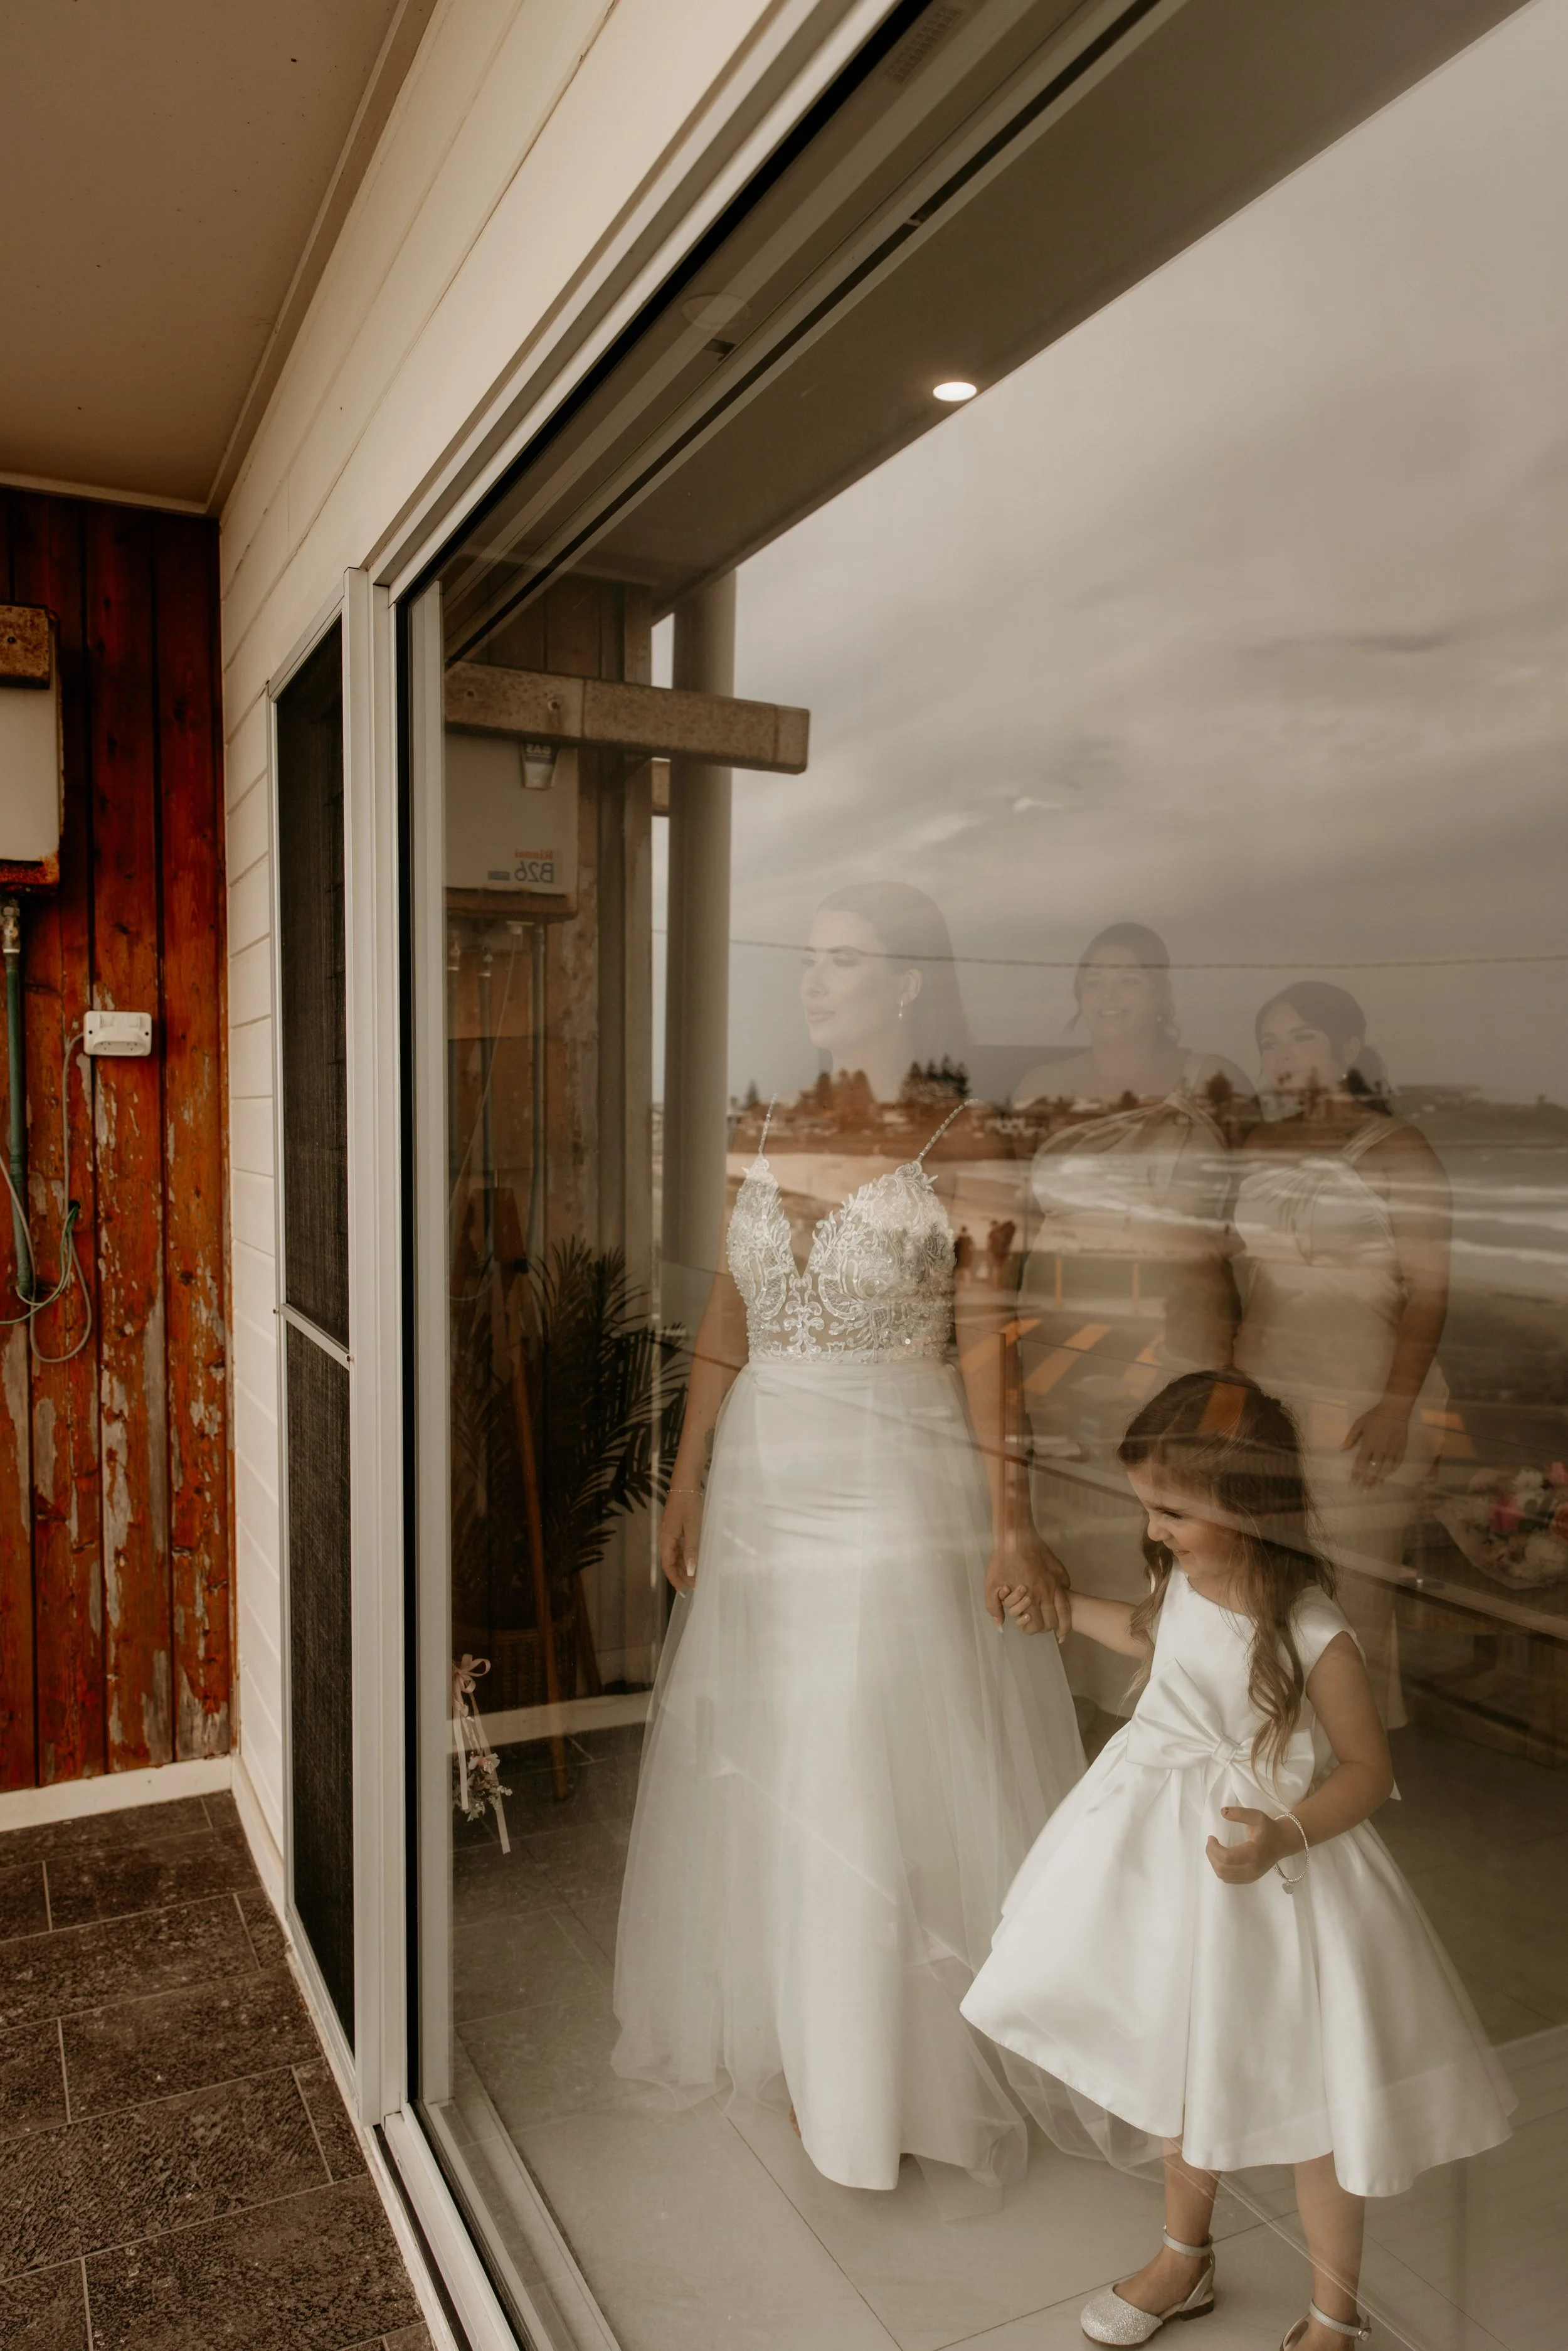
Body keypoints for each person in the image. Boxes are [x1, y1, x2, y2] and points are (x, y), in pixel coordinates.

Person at [613, 881, 1084, 2200]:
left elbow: (988, 1343)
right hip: (767, 1478)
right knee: (775, 1755)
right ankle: (797, 2032)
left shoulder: (966, 1136)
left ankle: (879, 2085)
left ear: (911, 982)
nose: (815, 980)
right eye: (810, 960)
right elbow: (727, 1311)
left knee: (861, 1761)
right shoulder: (762, 1121)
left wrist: (1012, 1518)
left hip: (894, 1480)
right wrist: (689, 1475)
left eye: (846, 959)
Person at [961, 1369, 1512, 2351]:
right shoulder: (1180, 1580)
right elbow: (1154, 1640)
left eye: (1172, 1511)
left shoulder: (1313, 1631)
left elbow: (1368, 1770)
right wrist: (1063, 1608)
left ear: (1250, 1507)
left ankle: (1335, 2313)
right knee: (1180, 2059)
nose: (1154, 1528)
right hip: (1160, 1858)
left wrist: (1282, 1835)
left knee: (1313, 2100)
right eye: (1147, 1506)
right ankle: (1185, 2256)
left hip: (1272, 1869)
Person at [1011, 924, 1251, 1724]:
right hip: (1060, 1329)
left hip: (1179, 1328)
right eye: (1097, 980)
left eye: (1132, 978)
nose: (1111, 994)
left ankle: (1177, 1709)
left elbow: (1251, 1217)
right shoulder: (1040, 1087)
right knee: (1071, 1507)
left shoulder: (1214, 1078)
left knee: (1170, 1498)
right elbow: (1010, 1221)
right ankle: (1064, 1707)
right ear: (1077, 994)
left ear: (1164, 991)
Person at [1232, 984, 1451, 1726]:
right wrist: (1237, 1392)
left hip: (1366, 1393)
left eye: (1302, 1038)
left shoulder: (1398, 1148)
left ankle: (1350, 1754)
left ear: (1349, 1049)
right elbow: (1256, 1283)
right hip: (1273, 1383)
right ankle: (1270, 1743)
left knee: (1346, 1580)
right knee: (1265, 1575)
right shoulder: (1259, 1144)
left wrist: (1394, 1407)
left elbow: (1429, 1293)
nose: (1282, 1055)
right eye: (1269, 1042)